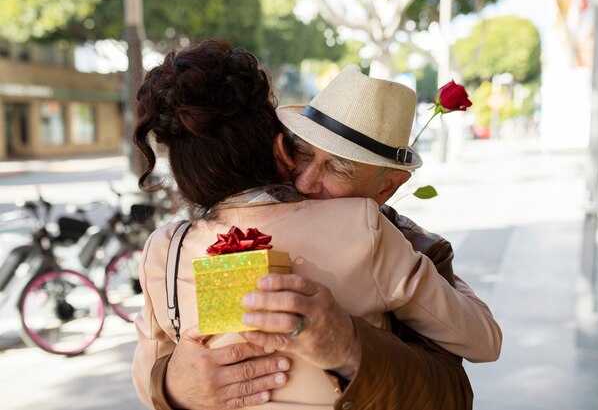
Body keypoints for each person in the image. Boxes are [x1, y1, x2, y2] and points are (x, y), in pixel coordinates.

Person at [132, 40, 502, 410]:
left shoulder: (398, 242)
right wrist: (172, 385)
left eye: (339, 168)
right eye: (303, 151)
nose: (306, 182)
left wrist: (352, 350)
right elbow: (150, 376)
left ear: (388, 186)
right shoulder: (170, 247)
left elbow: (455, 388)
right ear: (281, 147)